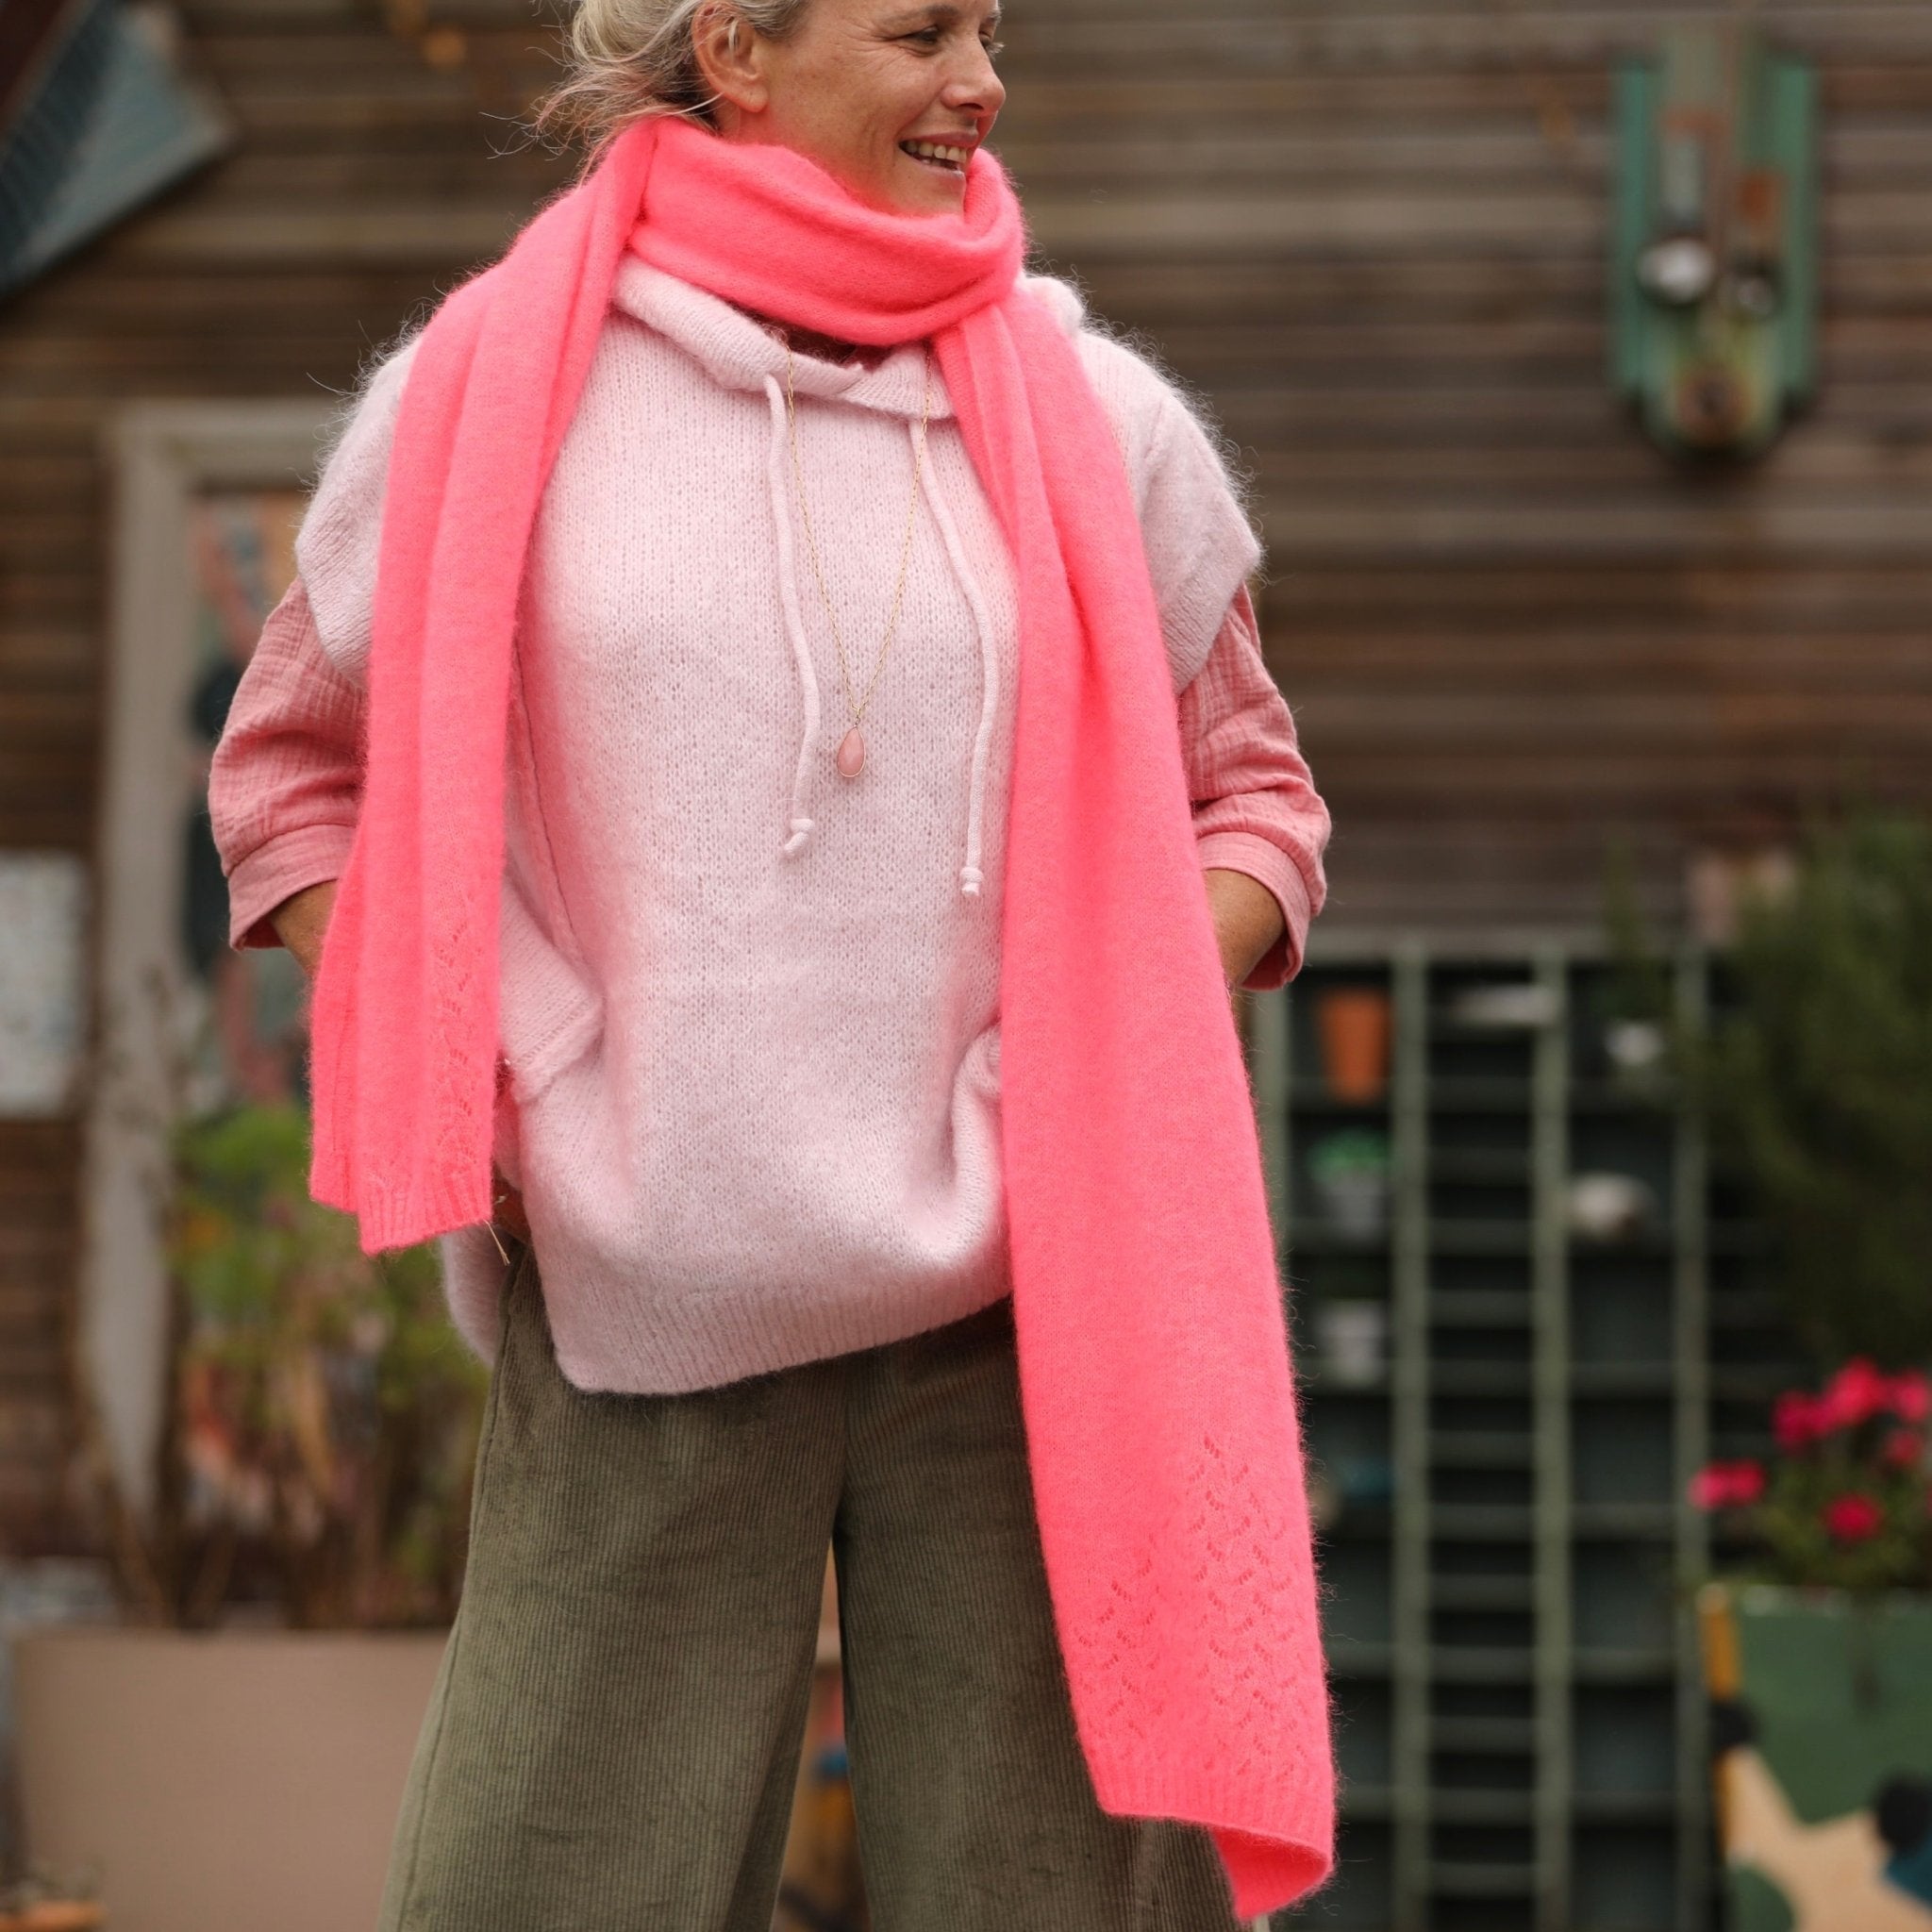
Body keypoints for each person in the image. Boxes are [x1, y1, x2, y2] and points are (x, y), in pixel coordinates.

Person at [208, 2, 1337, 1925]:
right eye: (919, 30)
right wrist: (523, 1064)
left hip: (1033, 1308)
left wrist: (1065, 1055)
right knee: (544, 1895)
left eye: (991, 30)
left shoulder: (1099, 418)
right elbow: (291, 787)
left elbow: (1254, 805)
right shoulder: (491, 390)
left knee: (1043, 1903)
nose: (982, 82)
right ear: (736, 49)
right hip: (643, 1278)